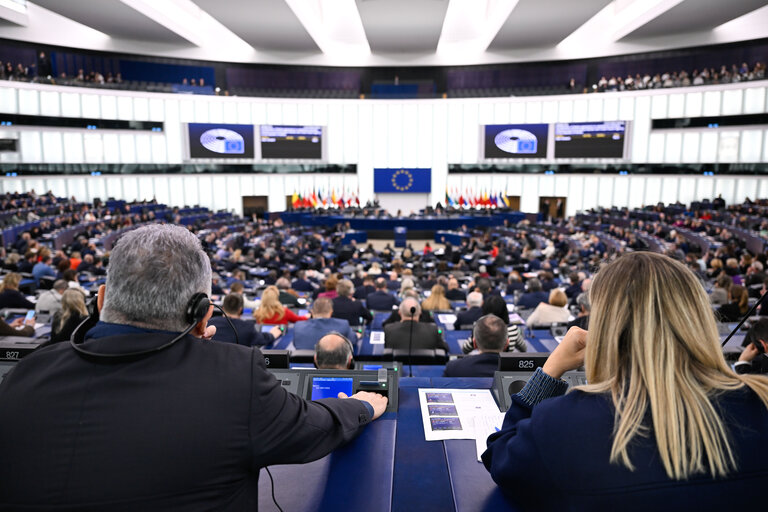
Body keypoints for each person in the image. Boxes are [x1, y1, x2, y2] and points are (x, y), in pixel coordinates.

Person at [0, 224, 387, 509]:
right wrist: (364, 404)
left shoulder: (25, 374)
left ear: (101, 299)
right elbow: (314, 427)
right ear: (203, 315)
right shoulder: (236, 379)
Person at [482, 252, 768, 509]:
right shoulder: (762, 402)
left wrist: (549, 370)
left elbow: (501, 457)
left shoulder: (564, 424)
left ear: (605, 326)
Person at [209, 293, 282, 346]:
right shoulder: (247, 327)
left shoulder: (210, 323)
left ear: (223, 308)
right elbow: (262, 339)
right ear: (240, 310)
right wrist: (272, 334)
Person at [384, 298, 448, 351]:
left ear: (399, 312)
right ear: (420, 312)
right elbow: (445, 349)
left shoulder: (388, 330)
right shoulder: (433, 330)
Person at [293, 297, 358, 350]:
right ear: (331, 312)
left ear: (312, 312)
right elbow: (353, 341)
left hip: (303, 364)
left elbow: (296, 344)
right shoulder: (343, 324)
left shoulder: (298, 326)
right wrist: (357, 335)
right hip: (332, 363)